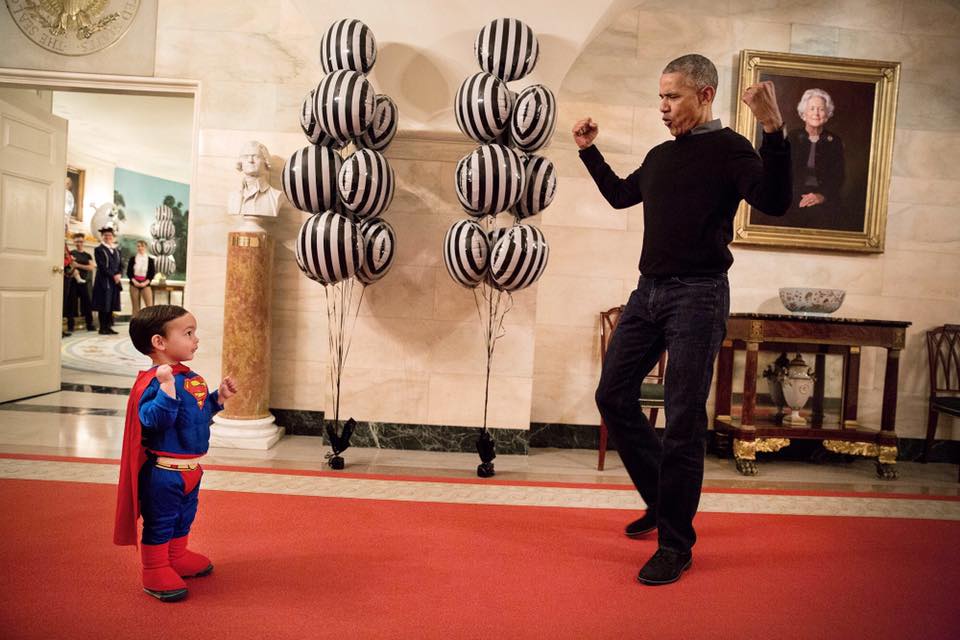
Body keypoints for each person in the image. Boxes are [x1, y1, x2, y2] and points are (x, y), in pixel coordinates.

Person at [573, 54, 792, 586]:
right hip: (647, 294)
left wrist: (773, 129)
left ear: (705, 94)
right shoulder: (660, 156)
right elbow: (622, 195)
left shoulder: (732, 149)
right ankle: (662, 498)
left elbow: (777, 202)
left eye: (672, 96)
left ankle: (676, 543)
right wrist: (588, 151)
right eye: (660, 98)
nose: (663, 108)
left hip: (698, 296)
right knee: (613, 395)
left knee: (683, 419)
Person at [113, 305, 238, 602]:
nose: (196, 340)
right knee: (161, 520)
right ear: (159, 342)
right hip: (164, 473)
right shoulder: (154, 381)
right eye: (188, 333)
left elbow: (197, 415)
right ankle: (155, 568)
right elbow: (151, 420)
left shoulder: (192, 378)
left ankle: (177, 555)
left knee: (184, 516)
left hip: (191, 469)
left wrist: (217, 398)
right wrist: (166, 390)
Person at [787, 88, 844, 226]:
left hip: (824, 198)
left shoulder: (834, 141)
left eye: (821, 109)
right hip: (792, 197)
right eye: (812, 108)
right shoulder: (792, 138)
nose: (816, 113)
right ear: (804, 113)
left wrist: (821, 196)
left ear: (827, 114)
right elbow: (782, 173)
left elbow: (838, 176)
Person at [227, 140, 281, 217]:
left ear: (265, 161)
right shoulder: (233, 196)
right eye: (246, 156)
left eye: (256, 156)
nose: (250, 160)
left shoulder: (276, 196)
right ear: (240, 162)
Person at [92, 227, 122, 335]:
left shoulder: (116, 251)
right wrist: (113, 275)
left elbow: (120, 265)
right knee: (103, 304)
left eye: (109, 235)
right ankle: (102, 327)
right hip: (104, 281)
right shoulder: (99, 250)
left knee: (111, 304)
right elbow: (102, 266)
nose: (108, 237)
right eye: (105, 236)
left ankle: (109, 327)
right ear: (102, 237)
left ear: (112, 237)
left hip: (115, 281)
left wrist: (119, 274)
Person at [66, 232, 96, 333]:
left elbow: (91, 267)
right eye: (77, 241)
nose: (79, 243)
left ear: (83, 242)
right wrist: (74, 267)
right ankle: (70, 326)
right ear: (74, 242)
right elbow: (69, 265)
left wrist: (78, 265)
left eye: (81, 241)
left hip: (85, 282)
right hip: (73, 282)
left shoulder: (87, 255)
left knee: (87, 303)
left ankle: (90, 325)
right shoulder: (71, 253)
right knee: (71, 304)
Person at [127, 240, 157, 315]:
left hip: (145, 284)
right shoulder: (132, 259)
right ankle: (135, 324)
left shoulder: (150, 260)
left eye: (142, 246)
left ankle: (149, 324)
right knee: (135, 307)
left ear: (145, 247)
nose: (140, 248)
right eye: (138, 246)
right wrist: (135, 282)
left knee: (149, 306)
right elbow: (129, 272)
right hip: (134, 284)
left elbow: (151, 273)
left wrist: (144, 283)